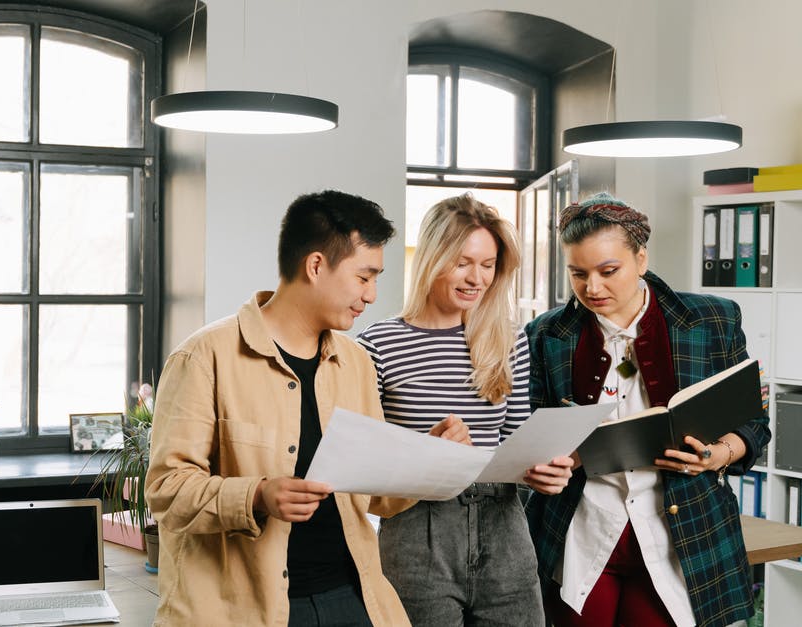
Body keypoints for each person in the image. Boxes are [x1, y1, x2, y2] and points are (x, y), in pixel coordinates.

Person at [145, 190, 445, 626]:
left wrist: (428, 458)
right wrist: (258, 495)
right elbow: (167, 491)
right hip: (242, 611)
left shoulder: (356, 361)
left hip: (351, 597)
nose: (372, 294)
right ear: (316, 265)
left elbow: (376, 495)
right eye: (364, 277)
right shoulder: (203, 356)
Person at [523, 192, 770, 627]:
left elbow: (753, 421)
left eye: (608, 271)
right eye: (577, 274)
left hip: (682, 532)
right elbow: (532, 429)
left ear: (641, 259)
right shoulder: (547, 334)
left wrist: (717, 455)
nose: (592, 288)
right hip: (581, 531)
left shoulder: (713, 319)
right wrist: (543, 466)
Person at [357, 193, 547, 626]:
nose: (476, 278)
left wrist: (542, 471)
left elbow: (515, 441)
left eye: (488, 264)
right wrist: (427, 453)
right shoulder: (377, 345)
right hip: (417, 532)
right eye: (463, 261)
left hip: (505, 529)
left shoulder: (509, 340)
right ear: (431, 256)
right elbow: (362, 468)